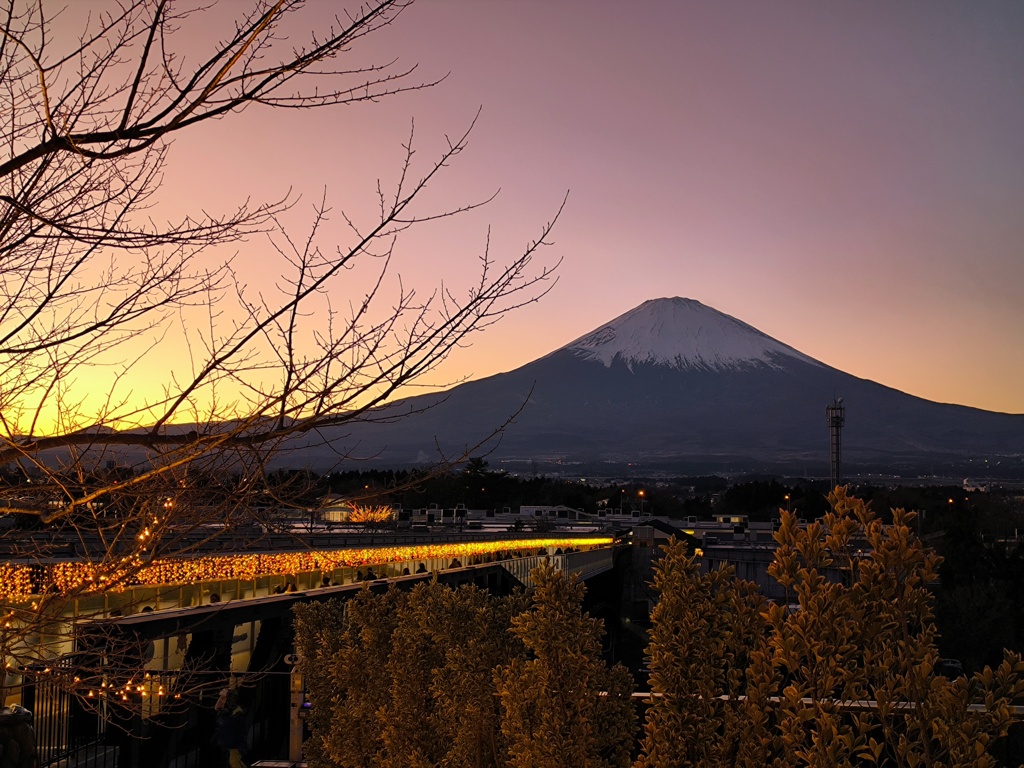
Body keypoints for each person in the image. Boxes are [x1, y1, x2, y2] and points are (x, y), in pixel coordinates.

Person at [214, 688, 248, 768]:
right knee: (235, 762)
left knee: (234, 762)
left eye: (224, 699)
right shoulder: (230, 713)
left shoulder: (237, 714)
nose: (221, 701)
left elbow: (229, 728)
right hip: (231, 746)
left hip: (234, 746)